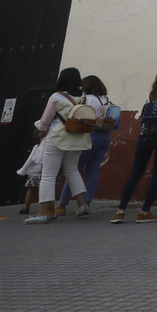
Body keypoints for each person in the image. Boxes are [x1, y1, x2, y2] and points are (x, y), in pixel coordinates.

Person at [113, 66, 157, 224]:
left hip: (146, 135)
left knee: (135, 173)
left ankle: (120, 211)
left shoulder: (152, 94)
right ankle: (144, 212)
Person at [25, 68, 94, 224]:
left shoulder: (56, 97)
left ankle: (43, 212)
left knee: (48, 175)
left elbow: (45, 120)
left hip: (57, 138)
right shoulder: (83, 98)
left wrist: (41, 133)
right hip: (78, 138)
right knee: (72, 170)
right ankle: (82, 205)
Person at [58, 75, 117, 214]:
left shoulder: (88, 99)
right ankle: (87, 203)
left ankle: (62, 204)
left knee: (74, 170)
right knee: (93, 171)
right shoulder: (106, 99)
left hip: (91, 136)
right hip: (105, 137)